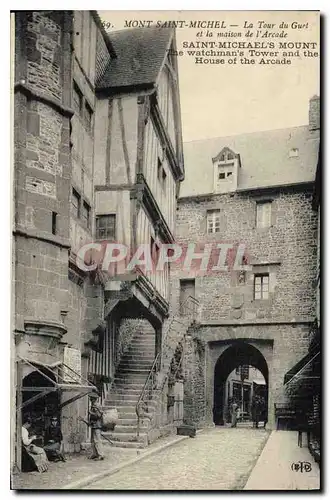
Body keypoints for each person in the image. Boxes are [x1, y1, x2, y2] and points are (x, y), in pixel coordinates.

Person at [88, 393, 104, 460]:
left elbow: (98, 415)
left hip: (97, 425)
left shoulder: (96, 405)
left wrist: (91, 413)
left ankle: (100, 454)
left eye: (91, 398)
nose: (90, 399)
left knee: (97, 440)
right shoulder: (94, 405)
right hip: (94, 425)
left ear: (94, 399)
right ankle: (94, 454)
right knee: (93, 440)